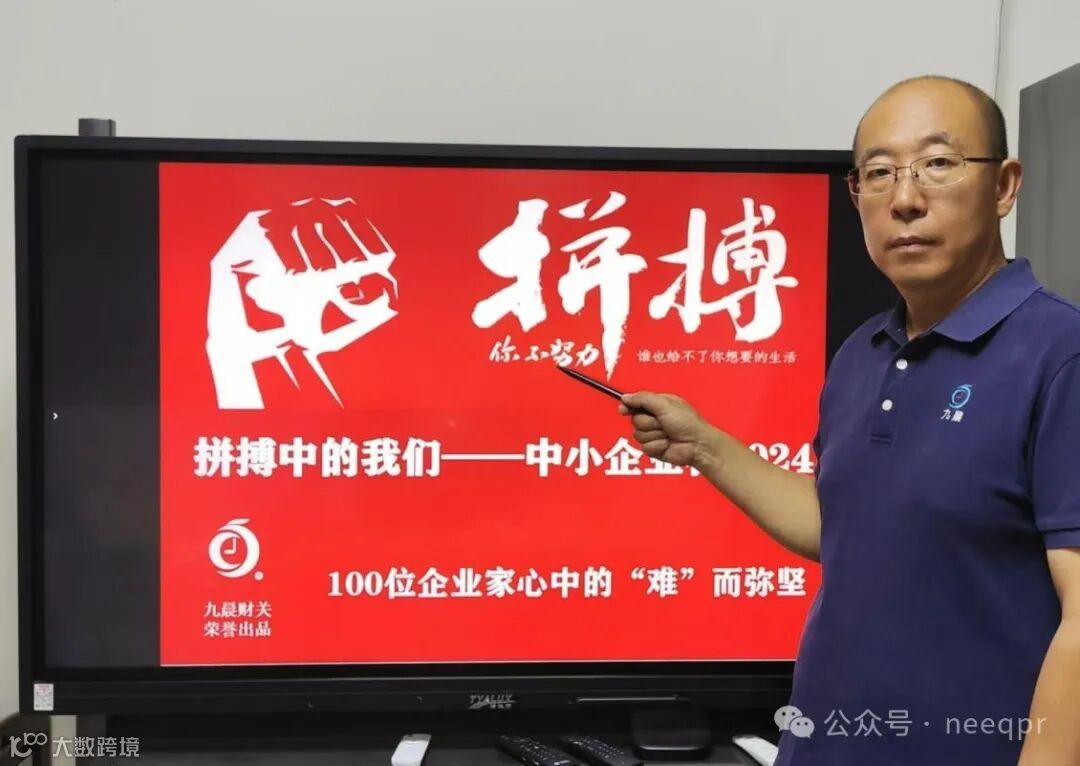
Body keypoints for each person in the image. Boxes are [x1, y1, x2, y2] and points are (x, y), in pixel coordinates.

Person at [620, 76, 1080, 765]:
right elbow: (846, 526)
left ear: (1004, 185)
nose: (905, 198)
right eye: (880, 172)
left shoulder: (1060, 353)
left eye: (939, 163)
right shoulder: (864, 351)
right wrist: (705, 446)